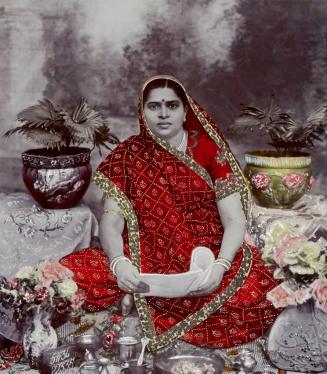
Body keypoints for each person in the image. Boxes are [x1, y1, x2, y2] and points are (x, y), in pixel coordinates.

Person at [60, 75, 281, 351]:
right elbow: (110, 224)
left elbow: (234, 220)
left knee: (262, 291)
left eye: (172, 106)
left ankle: (133, 309)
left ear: (185, 111)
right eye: (154, 107)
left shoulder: (208, 151)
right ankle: (134, 298)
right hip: (143, 251)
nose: (163, 114)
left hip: (206, 253)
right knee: (66, 276)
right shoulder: (128, 154)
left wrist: (220, 266)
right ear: (142, 111)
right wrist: (119, 264)